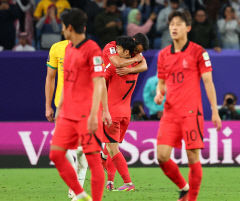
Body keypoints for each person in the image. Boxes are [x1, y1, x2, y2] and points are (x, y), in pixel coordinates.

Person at [154, 10, 222, 201]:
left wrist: (215, 111)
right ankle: (184, 187)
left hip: (191, 113)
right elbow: (162, 82)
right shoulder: (163, 55)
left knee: (193, 157)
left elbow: (208, 81)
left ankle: (191, 199)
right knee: (162, 156)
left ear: (188, 28)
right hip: (170, 114)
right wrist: (160, 94)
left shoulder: (199, 52)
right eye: (171, 24)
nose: (174, 27)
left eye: (178, 24)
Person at [49, 8, 111, 201]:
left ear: (69, 27)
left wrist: (96, 114)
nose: (62, 30)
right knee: (56, 154)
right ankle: (80, 194)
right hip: (67, 112)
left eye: (62, 26)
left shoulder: (93, 49)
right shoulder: (67, 49)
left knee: (93, 160)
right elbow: (67, 82)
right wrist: (59, 108)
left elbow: (100, 82)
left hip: (86, 113)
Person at [102, 34, 149, 191]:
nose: (117, 51)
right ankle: (110, 181)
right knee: (110, 147)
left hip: (112, 112)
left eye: (120, 49)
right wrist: (135, 60)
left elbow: (100, 81)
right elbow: (142, 65)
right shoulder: (134, 69)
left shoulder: (114, 69)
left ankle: (128, 183)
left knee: (111, 149)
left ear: (125, 50)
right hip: (125, 114)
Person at [45, 38, 88, 199]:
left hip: (83, 104)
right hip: (62, 105)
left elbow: (98, 80)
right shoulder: (57, 48)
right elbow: (50, 77)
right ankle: (75, 185)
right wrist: (48, 105)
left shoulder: (89, 48)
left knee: (75, 150)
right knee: (61, 149)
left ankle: (77, 188)